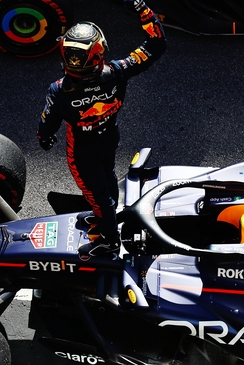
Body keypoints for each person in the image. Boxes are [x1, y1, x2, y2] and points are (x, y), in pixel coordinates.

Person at [37, 0, 166, 257]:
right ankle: (105, 214)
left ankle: (108, 240)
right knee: (106, 177)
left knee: (96, 196)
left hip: (82, 153)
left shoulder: (59, 90)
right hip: (109, 137)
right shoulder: (119, 71)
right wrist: (143, 10)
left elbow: (47, 125)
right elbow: (157, 43)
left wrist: (45, 137)